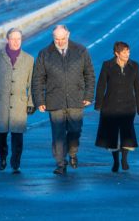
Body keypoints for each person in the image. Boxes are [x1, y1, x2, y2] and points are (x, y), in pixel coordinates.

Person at [32, 24, 95, 175]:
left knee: (75, 130)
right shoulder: (44, 53)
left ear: (68, 36)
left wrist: (88, 96)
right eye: (56, 39)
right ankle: (61, 163)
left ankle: (73, 152)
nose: (59, 42)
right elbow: (38, 79)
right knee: (58, 134)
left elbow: (89, 75)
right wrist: (39, 100)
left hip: (76, 99)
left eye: (62, 38)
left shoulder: (81, 51)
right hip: (54, 100)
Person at [0, 27, 35, 174]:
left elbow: (32, 83)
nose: (16, 42)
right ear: (8, 40)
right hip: (1, 103)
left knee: (17, 136)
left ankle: (16, 161)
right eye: (13, 39)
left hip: (19, 103)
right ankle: (3, 155)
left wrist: (31, 102)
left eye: (19, 39)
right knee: (0, 135)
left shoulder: (29, 59)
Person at [95, 41, 139, 173]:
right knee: (112, 135)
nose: (127, 54)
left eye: (128, 51)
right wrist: (98, 104)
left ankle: (124, 159)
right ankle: (116, 161)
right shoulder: (107, 65)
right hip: (110, 106)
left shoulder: (134, 66)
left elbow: (138, 87)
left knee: (127, 134)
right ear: (117, 53)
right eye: (124, 52)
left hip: (128, 106)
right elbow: (101, 85)